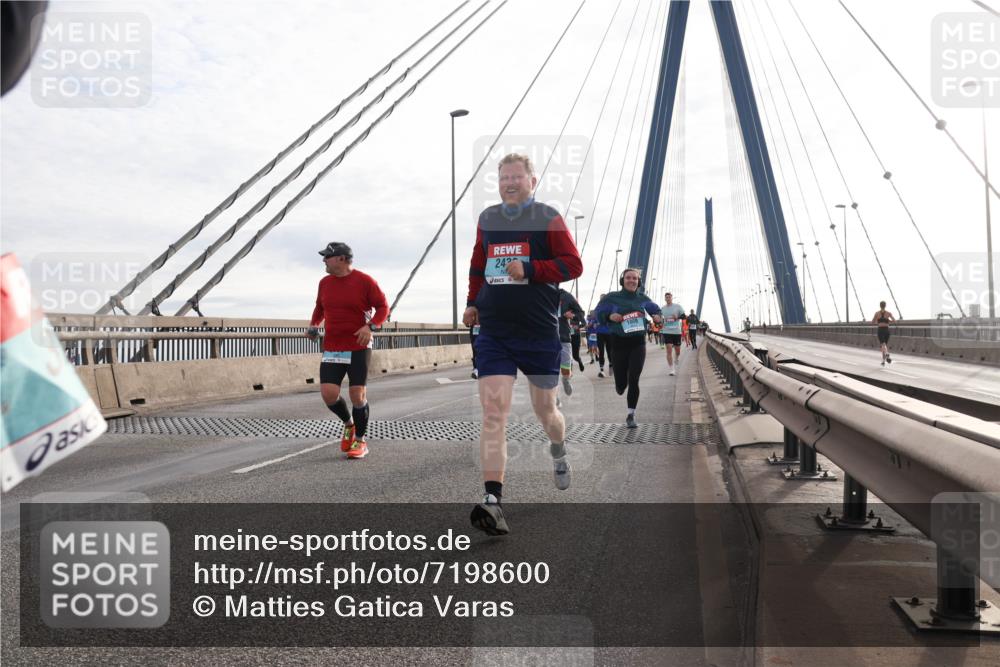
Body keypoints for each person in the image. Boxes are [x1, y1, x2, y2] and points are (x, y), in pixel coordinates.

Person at [463, 153, 583, 536]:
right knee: (493, 411)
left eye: (517, 177)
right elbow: (478, 266)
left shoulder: (548, 218)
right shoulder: (488, 219)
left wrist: (531, 270)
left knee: (545, 411)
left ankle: (559, 449)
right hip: (495, 330)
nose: (510, 183)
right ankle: (493, 500)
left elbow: (572, 265)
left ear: (533, 181)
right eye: (503, 178)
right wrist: (471, 302)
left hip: (537, 331)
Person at [307, 242, 389, 459]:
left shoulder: (365, 281)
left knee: (357, 395)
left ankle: (361, 441)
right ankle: (349, 424)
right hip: (333, 346)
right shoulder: (324, 283)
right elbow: (319, 308)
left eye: (328, 257)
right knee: (328, 394)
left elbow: (383, 307)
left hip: (358, 346)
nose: (324, 260)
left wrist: (370, 326)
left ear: (342, 259)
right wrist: (314, 325)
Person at [595, 268, 662, 428]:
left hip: (638, 343)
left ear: (639, 281)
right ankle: (620, 384)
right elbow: (598, 313)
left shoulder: (642, 298)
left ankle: (631, 414)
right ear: (622, 280)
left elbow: (655, 309)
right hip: (618, 343)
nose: (632, 280)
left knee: (634, 378)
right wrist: (610, 316)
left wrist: (657, 316)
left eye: (635, 278)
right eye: (628, 278)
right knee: (621, 384)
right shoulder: (612, 298)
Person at [558, 288, 586, 395]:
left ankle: (566, 379)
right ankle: (554, 398)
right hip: (546, 338)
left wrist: (573, 316)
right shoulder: (540, 293)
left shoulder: (566, 296)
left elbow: (581, 313)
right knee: (550, 371)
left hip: (563, 336)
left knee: (566, 368)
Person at [660, 291, 685, 376]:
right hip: (666, 331)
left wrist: (677, 317)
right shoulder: (662, 309)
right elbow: (660, 318)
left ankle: (677, 358)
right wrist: (660, 321)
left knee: (677, 351)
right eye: (666, 297)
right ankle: (672, 369)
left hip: (676, 331)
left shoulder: (677, 307)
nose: (668, 298)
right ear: (665, 299)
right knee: (669, 350)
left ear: (671, 298)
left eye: (669, 297)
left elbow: (684, 316)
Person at [871, 300, 895, 366]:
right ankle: (883, 361)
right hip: (887, 330)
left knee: (883, 345)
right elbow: (894, 321)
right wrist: (887, 321)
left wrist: (879, 322)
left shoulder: (877, 313)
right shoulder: (888, 313)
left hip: (880, 330)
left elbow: (872, 322)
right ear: (885, 305)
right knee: (884, 346)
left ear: (880, 305)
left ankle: (886, 354)